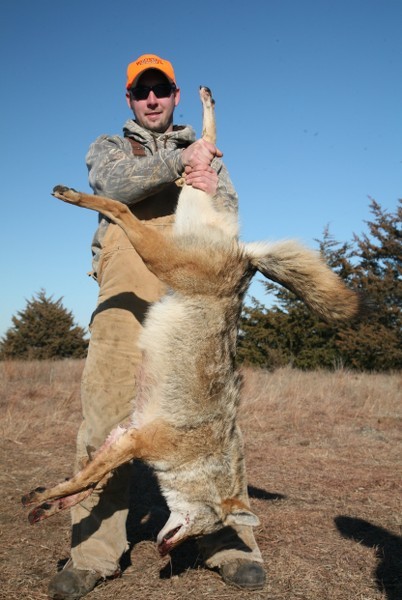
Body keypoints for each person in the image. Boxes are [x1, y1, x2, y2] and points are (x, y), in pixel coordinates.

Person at [49, 53, 266, 599]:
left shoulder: (203, 151)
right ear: (129, 99)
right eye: (142, 91)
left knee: (216, 428)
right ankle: (95, 554)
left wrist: (209, 180)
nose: (152, 99)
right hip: (127, 294)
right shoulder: (111, 147)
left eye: (161, 90)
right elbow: (113, 187)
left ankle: (228, 543)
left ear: (173, 95)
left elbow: (230, 207)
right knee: (105, 420)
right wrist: (179, 162)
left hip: (194, 297)